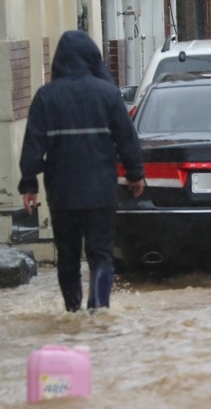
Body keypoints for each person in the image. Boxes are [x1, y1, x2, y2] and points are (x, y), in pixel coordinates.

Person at [18, 30, 145, 313]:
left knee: (68, 257)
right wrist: (135, 174)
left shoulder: (45, 97)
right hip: (101, 192)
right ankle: (98, 309)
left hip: (62, 193)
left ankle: (72, 311)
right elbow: (127, 138)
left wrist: (29, 184)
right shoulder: (108, 94)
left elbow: (34, 144)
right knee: (101, 255)